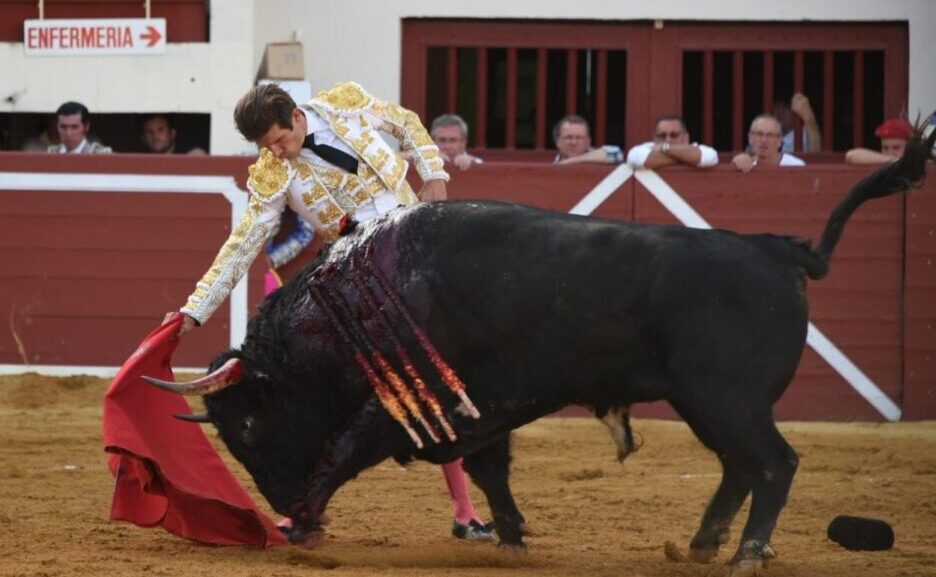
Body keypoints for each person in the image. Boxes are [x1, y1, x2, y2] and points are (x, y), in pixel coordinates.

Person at [163, 81, 493, 542]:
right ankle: (306, 507)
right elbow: (243, 245)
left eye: (280, 141)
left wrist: (433, 171)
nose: (276, 153)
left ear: (297, 117)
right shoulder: (272, 173)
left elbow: (406, 123)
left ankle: (465, 510)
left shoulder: (346, 103)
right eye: (267, 147)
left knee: (441, 380)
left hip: (421, 252)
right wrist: (195, 309)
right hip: (362, 280)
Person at [626, 115, 718, 169]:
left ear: (686, 137)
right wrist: (687, 158)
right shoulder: (643, 149)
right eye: (662, 135)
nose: (668, 140)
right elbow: (635, 159)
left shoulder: (700, 148)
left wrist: (664, 148)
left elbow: (710, 158)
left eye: (674, 135)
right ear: (654, 138)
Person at [732, 114, 805, 172]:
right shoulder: (745, 165)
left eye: (770, 135)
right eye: (759, 134)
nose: (764, 140)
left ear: (779, 141)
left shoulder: (795, 165)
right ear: (750, 138)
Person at [553, 115, 623, 165]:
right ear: (558, 142)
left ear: (588, 142)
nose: (574, 142)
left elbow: (617, 154)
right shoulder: (553, 166)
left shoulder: (599, 158)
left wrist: (570, 161)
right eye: (568, 137)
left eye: (579, 137)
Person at [47, 101, 112, 154]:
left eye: (74, 127)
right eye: (63, 127)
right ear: (57, 127)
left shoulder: (100, 155)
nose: (68, 133)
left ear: (86, 127)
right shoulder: (51, 153)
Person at [845, 117, 914, 165]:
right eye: (885, 148)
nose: (890, 153)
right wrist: (893, 160)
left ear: (910, 146)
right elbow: (851, 155)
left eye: (896, 148)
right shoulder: (883, 160)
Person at [141, 114, 206, 155]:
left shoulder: (190, 155)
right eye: (149, 132)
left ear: (172, 133)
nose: (155, 136)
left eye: (160, 130)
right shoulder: (141, 159)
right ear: (143, 138)